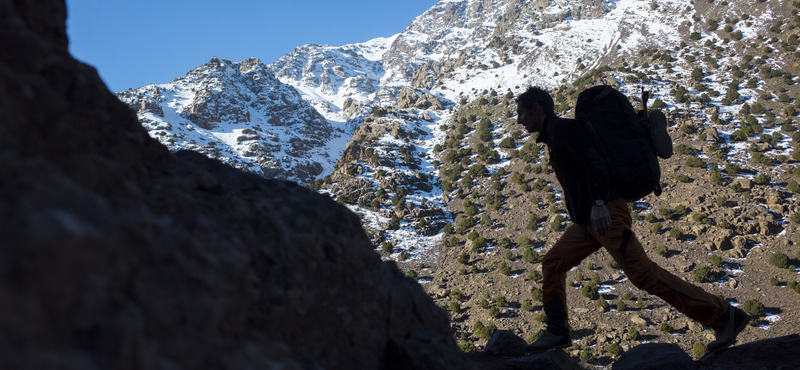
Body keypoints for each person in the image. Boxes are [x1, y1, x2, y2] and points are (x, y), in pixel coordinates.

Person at [515, 86, 749, 353]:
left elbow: (594, 162)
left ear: (537, 109)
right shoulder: (556, 135)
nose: (519, 120)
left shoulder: (563, 130)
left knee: (644, 275)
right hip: (588, 223)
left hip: (605, 214)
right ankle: (557, 332)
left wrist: (599, 202)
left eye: (522, 113)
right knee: (553, 263)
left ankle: (724, 316)